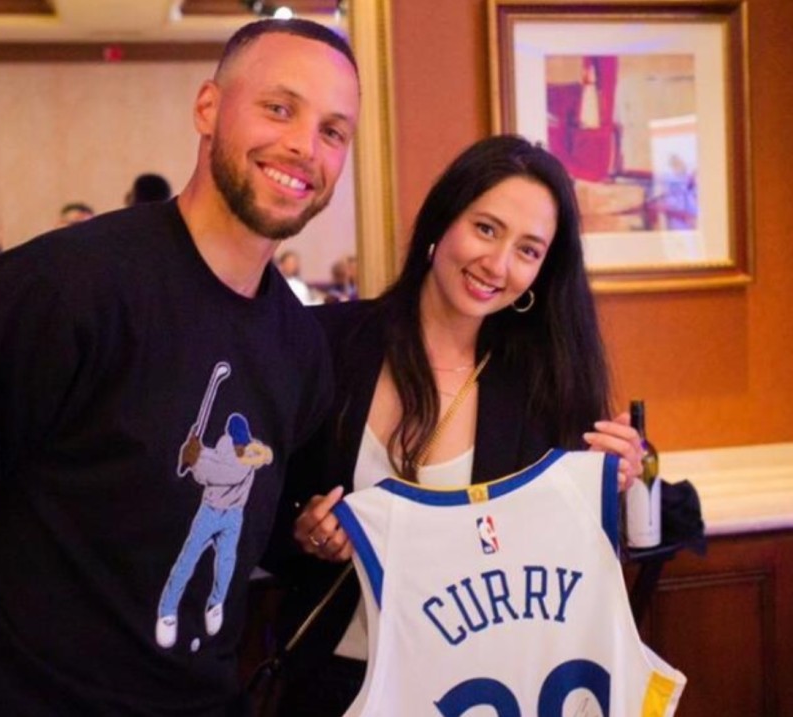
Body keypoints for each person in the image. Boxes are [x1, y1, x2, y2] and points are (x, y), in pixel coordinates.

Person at [0, 18, 360, 717]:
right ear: (208, 107)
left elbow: (253, 525)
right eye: (280, 108)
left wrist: (312, 532)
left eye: (333, 131)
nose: (304, 146)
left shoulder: (299, 345)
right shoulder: (59, 291)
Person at [264, 134, 644, 717]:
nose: (497, 265)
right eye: (486, 229)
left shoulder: (543, 387)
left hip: (479, 692)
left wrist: (609, 484)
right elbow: (253, 508)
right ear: (443, 220)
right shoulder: (325, 343)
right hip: (333, 682)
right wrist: (305, 532)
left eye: (528, 250)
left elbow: (557, 569)